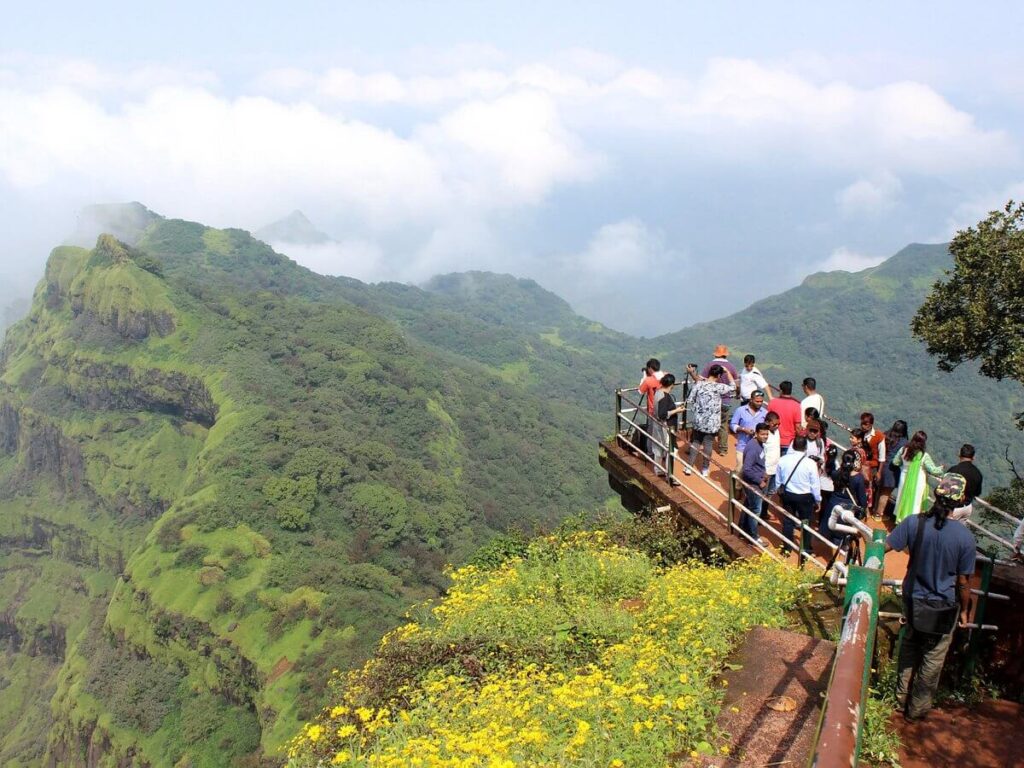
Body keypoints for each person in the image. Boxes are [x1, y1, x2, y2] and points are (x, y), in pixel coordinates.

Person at [886, 474, 976, 722]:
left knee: (910, 646)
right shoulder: (965, 538)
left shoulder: (914, 523)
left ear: (935, 494)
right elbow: (963, 582)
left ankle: (899, 700)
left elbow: (884, 546)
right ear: (960, 501)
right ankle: (917, 710)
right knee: (933, 657)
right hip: (943, 607)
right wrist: (966, 611)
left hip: (913, 599)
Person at [686, 363, 738, 477]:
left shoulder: (699, 384)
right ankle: (705, 469)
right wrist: (728, 372)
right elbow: (733, 386)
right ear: (719, 375)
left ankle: (689, 467)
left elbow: (690, 399)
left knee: (696, 442)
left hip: (698, 420)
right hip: (712, 422)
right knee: (708, 444)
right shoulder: (719, 387)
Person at [775, 435, 820, 556]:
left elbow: (778, 481)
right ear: (805, 447)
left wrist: (780, 495)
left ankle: (786, 549)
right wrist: (818, 499)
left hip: (788, 494)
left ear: (793, 446)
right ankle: (806, 549)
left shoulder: (783, 459)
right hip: (805, 497)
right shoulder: (810, 463)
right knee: (806, 522)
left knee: (788, 521)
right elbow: (814, 484)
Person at [893, 431, 945, 523]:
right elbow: (933, 470)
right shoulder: (924, 456)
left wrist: (904, 466)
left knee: (902, 498)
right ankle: (910, 522)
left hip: (903, 478)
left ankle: (900, 519)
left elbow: (895, 462)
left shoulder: (903, 450)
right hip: (918, 483)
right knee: (915, 503)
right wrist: (941, 468)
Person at [820, 449, 868, 544]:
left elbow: (830, 470)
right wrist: (864, 510)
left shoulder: (836, 473)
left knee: (830, 528)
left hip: (833, 503)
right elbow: (862, 498)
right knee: (841, 535)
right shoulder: (858, 478)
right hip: (848, 508)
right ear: (854, 462)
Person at [702, 345, 739, 456]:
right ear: (725, 354)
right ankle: (723, 449)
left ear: (715, 354)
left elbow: (702, 379)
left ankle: (704, 445)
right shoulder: (731, 367)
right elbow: (736, 383)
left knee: (707, 422)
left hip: (711, 401)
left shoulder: (710, 365)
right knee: (723, 424)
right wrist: (738, 393)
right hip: (726, 401)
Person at [740, 422, 770, 544]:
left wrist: (764, 473)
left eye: (767, 434)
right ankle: (754, 536)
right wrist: (759, 481)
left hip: (755, 481)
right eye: (762, 434)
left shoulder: (759, 444)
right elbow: (747, 469)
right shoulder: (753, 448)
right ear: (756, 434)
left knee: (748, 505)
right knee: (755, 510)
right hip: (753, 484)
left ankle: (742, 530)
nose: (765, 436)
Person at [652, 374, 686, 476]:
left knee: (659, 448)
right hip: (665, 427)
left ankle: (657, 470)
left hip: (658, 426)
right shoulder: (664, 397)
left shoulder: (658, 393)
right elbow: (662, 414)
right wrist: (677, 410)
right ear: (672, 384)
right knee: (672, 450)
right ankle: (669, 474)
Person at [874, 420, 909, 520]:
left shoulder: (885, 435)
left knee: (878, 490)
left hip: (880, 465)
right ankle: (878, 514)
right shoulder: (904, 442)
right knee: (885, 493)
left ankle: (874, 510)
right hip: (891, 470)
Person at [730, 389, 768, 472]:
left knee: (753, 470)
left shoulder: (765, 413)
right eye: (757, 401)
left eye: (761, 401)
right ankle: (735, 483)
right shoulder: (740, 410)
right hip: (742, 446)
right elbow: (732, 425)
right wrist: (743, 429)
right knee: (740, 468)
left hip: (757, 447)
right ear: (751, 400)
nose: (759, 403)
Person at [948, 444, 983, 522]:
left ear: (959, 455)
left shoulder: (953, 470)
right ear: (973, 458)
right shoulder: (977, 473)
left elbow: (944, 491)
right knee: (958, 532)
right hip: (967, 508)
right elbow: (977, 492)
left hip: (953, 508)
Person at [767, 381, 802, 455]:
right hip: (789, 442)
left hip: (774, 440)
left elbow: (767, 421)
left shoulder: (772, 403)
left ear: (781, 391)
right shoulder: (796, 405)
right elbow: (798, 427)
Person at [861, 413, 887, 502]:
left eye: (866, 424)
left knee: (870, 489)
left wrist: (879, 472)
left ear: (871, 424)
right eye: (862, 424)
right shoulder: (861, 434)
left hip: (872, 468)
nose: (863, 426)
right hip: (861, 465)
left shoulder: (879, 436)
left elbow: (882, 457)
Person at [762, 412, 782, 519]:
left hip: (775, 469)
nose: (777, 426)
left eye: (779, 424)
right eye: (775, 424)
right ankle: (760, 514)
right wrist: (763, 470)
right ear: (767, 422)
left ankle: (764, 513)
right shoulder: (765, 435)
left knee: (770, 493)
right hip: (766, 470)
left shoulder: (777, 432)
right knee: (762, 494)